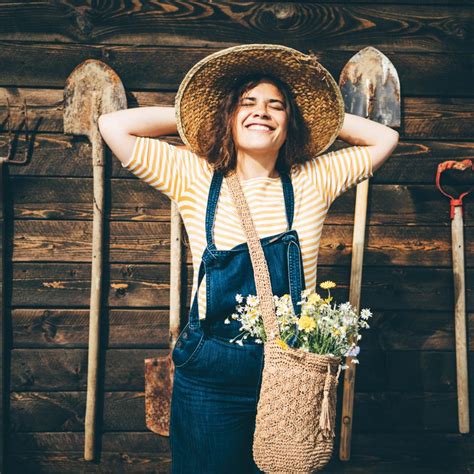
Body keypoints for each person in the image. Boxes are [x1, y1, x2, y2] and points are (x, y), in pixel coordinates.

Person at [98, 44, 399, 474]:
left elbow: (384, 137)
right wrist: (196, 115)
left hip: (292, 372)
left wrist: (317, 117)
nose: (262, 113)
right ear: (229, 115)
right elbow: (113, 126)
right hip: (209, 373)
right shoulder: (194, 174)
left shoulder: (314, 179)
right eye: (247, 104)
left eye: (276, 107)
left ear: (289, 122)